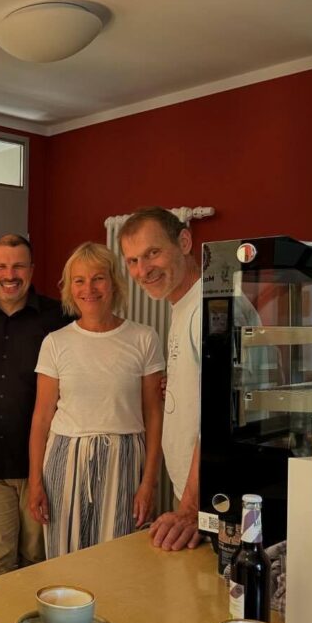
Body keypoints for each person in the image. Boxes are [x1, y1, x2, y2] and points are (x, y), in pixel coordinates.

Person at [28, 241, 164, 555]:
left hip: (125, 456)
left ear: (114, 283)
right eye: (79, 280)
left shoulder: (144, 338)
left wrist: (149, 482)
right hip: (65, 456)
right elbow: (42, 418)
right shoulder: (56, 343)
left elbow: (154, 414)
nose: (89, 288)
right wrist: (36, 481)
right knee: (65, 557)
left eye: (98, 278)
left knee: (119, 559)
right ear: (69, 288)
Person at [0, 234, 69, 578]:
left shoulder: (60, 317)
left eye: (18, 265)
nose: (10, 274)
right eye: (1, 266)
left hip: (45, 464)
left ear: (32, 270)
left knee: (38, 558)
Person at [117, 207, 202, 551]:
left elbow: (220, 417)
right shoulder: (181, 306)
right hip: (195, 498)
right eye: (133, 260)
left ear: (184, 241)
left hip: (204, 505)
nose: (142, 270)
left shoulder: (205, 310)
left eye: (153, 253)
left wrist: (191, 509)